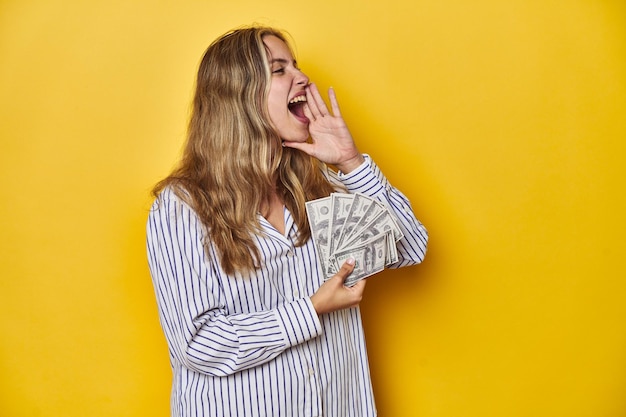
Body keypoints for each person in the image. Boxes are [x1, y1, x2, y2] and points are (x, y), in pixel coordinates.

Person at [146, 25, 428, 417]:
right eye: (279, 69)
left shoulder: (321, 185)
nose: (303, 77)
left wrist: (350, 161)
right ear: (238, 96)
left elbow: (411, 247)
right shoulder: (182, 207)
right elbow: (199, 344)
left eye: (295, 65)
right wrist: (310, 310)